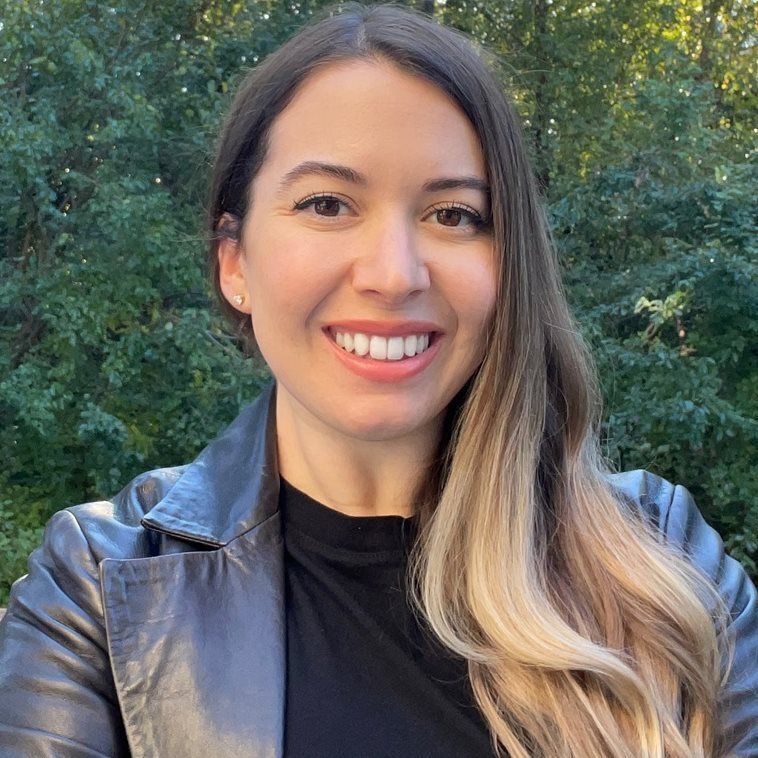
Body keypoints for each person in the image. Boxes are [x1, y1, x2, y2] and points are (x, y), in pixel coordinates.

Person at [0, 4, 755, 757]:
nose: (394, 275)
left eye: (453, 215)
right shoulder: (99, 589)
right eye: (327, 204)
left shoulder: (665, 564)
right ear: (235, 264)